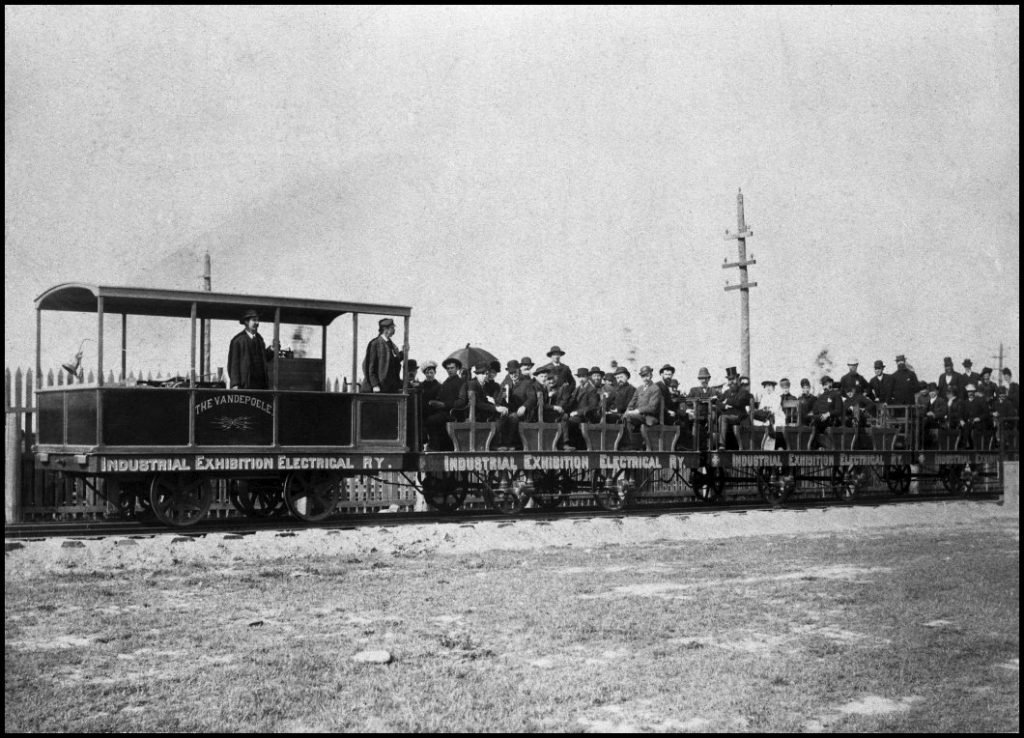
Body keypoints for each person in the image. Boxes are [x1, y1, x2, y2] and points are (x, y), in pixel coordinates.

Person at [424, 357, 467, 450]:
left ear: (457, 368)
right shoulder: (445, 382)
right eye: (448, 368)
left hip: (454, 413)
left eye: (452, 368)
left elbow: (461, 402)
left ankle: (435, 447)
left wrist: (444, 405)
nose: (450, 370)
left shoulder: (461, 383)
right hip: (443, 412)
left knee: (431, 420)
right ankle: (435, 445)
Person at [227, 308, 275, 389]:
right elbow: (233, 365)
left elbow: (263, 358)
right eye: (254, 320)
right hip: (245, 386)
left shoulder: (260, 340)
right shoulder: (237, 341)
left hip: (261, 386)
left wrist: (272, 349)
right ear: (246, 322)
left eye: (258, 320)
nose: (257, 323)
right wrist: (235, 384)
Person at [624, 366, 662, 448]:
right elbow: (632, 402)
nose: (645, 378)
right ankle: (633, 443)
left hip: (650, 417)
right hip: (640, 416)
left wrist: (637, 411)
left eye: (647, 375)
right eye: (643, 376)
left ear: (651, 375)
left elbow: (652, 407)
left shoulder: (655, 388)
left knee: (629, 417)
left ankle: (632, 444)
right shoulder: (639, 389)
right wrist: (628, 410)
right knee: (624, 416)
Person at [361, 318, 403, 393]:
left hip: (390, 388)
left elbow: (394, 361)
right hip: (378, 388)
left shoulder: (391, 344)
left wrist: (404, 353)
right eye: (392, 328)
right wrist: (375, 385)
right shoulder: (375, 343)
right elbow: (368, 366)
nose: (394, 330)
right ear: (385, 329)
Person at [717, 367, 751, 449]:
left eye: (733, 379)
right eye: (729, 380)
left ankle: (722, 444)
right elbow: (718, 402)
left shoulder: (744, 392)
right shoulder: (726, 392)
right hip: (730, 417)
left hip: (740, 417)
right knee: (722, 417)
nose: (731, 382)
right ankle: (723, 445)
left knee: (722, 418)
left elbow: (739, 402)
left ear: (737, 379)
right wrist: (724, 405)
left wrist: (727, 401)